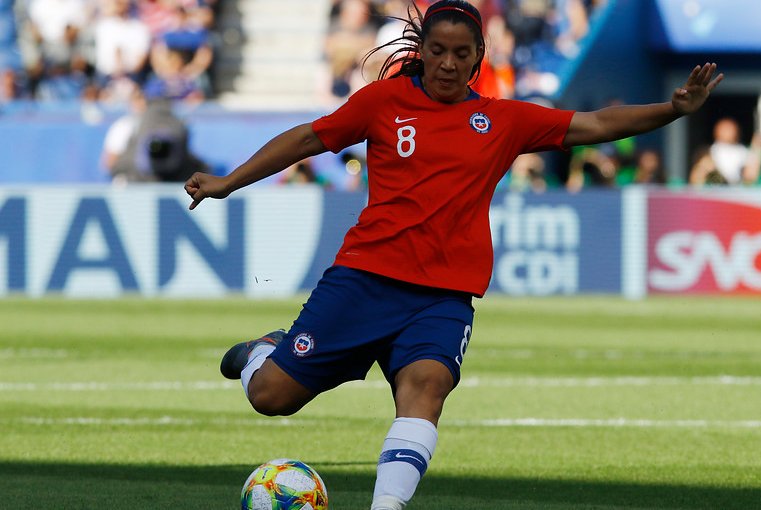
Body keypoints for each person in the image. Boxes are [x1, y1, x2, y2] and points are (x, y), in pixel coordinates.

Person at [183, 2, 723, 509]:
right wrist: (229, 181)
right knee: (271, 397)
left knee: (427, 389)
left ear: (478, 58)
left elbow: (597, 125)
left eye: (460, 53)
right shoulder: (383, 103)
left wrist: (674, 110)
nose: (447, 63)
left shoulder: (502, 120)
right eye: (437, 50)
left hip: (442, 297)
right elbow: (307, 139)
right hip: (364, 279)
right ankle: (263, 351)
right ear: (421, 51)